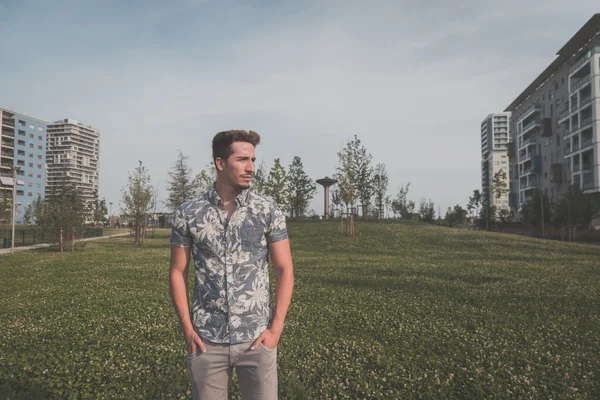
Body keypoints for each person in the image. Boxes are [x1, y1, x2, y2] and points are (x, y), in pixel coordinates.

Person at [169, 130, 294, 399]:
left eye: (253, 160)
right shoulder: (188, 214)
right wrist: (187, 330)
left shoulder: (268, 211)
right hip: (206, 342)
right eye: (242, 160)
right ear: (220, 163)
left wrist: (275, 330)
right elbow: (177, 271)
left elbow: (285, 269)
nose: (251, 168)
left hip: (257, 340)